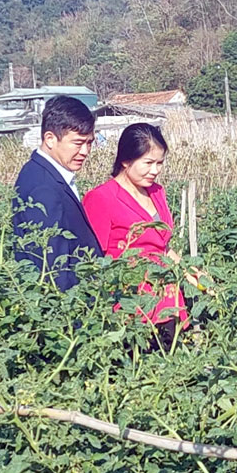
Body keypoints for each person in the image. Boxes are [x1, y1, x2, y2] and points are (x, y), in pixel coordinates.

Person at [83, 123, 187, 346]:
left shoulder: (157, 192)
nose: (155, 170)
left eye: (160, 163)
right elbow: (95, 260)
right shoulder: (101, 198)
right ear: (126, 160)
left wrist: (191, 273)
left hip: (168, 300)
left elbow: (162, 247)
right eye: (148, 163)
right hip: (132, 305)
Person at [13, 95, 102, 291]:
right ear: (50, 139)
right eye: (78, 143)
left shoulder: (46, 174)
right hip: (68, 311)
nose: (85, 151)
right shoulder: (42, 188)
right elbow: (53, 268)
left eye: (89, 143)